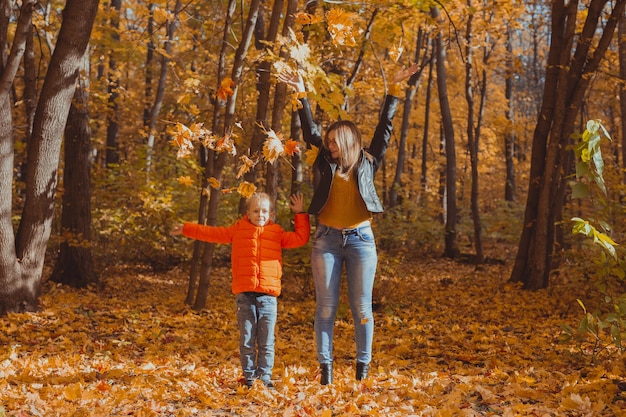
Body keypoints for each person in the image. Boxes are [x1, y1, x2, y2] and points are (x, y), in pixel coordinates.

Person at [280, 64, 419, 385]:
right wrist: (300, 91)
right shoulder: (323, 160)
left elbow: (385, 127)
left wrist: (395, 90)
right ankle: (325, 372)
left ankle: (362, 370)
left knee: (362, 309)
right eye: (327, 142)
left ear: (348, 139)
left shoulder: (370, 160)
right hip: (326, 240)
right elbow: (308, 128)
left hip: (361, 241)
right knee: (326, 309)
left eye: (333, 141)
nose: (328, 146)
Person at [170, 192, 310, 388]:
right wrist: (186, 228)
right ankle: (250, 378)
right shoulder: (238, 230)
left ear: (270, 213)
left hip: (268, 296)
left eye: (264, 211)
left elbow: (300, 238)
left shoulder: (277, 232)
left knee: (266, 341)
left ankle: (265, 378)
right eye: (256, 211)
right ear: (248, 213)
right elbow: (212, 233)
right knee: (247, 340)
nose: (260, 214)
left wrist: (300, 213)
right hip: (244, 295)